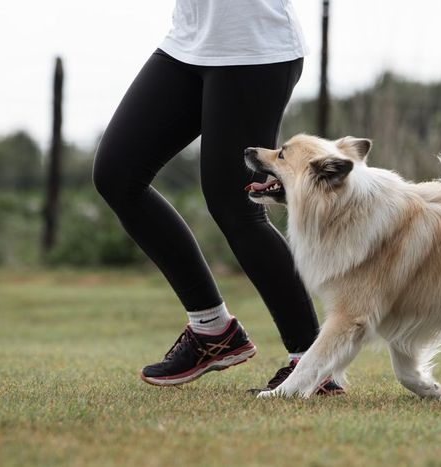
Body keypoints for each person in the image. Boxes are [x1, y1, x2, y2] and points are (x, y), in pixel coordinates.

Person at [93, 0, 342, 394]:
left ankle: (314, 366)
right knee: (117, 174)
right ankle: (212, 330)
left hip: (253, 47)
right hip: (187, 43)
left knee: (234, 204)